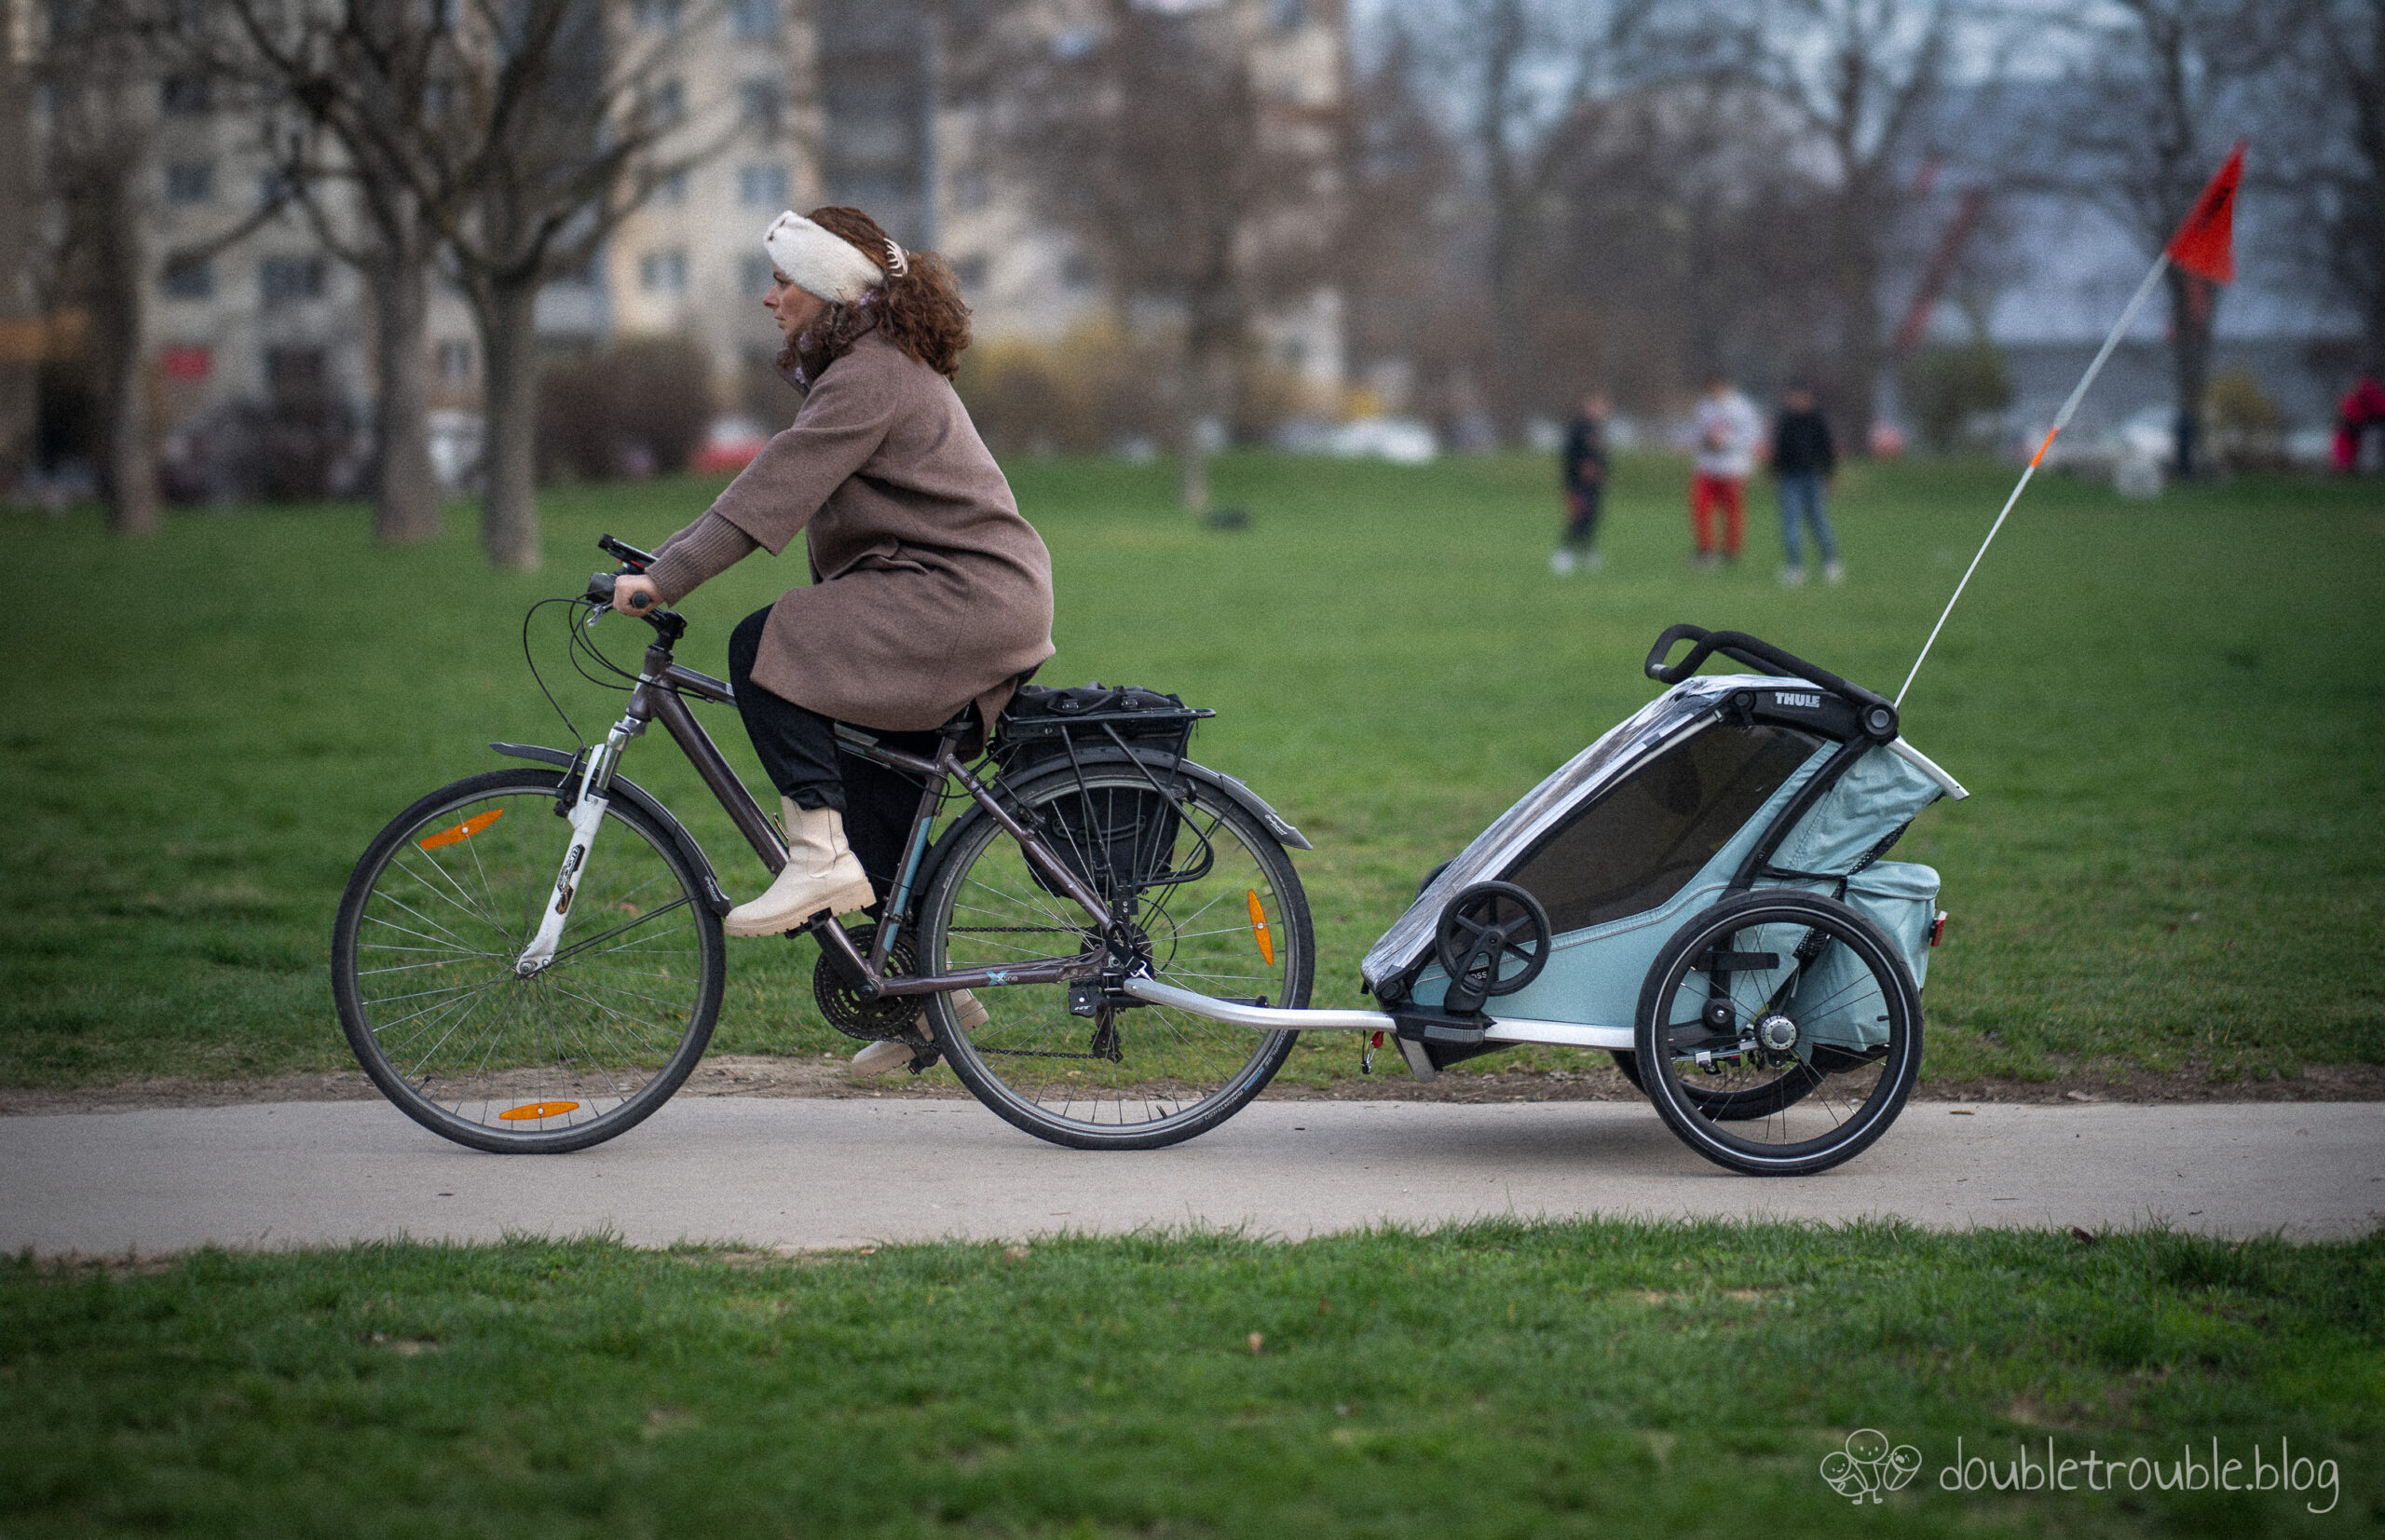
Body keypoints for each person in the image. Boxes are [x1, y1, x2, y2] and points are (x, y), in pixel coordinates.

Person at [611, 206, 1055, 1074]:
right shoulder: (870, 366)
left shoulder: (872, 374)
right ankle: (929, 998)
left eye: (782, 280)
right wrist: (660, 561)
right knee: (870, 784)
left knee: (762, 646)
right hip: (959, 598)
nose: (767, 296)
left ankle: (815, 859)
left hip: (960, 601)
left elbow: (772, 487)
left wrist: (666, 578)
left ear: (826, 288)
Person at [1769, 386, 1843, 585]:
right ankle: (1795, 567)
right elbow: (1778, 449)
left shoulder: (1817, 421)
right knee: (1790, 523)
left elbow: (1827, 449)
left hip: (1812, 476)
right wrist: (1775, 473)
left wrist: (1828, 474)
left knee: (1818, 520)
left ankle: (1831, 563)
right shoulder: (1786, 421)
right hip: (1790, 478)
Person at [1689, 373, 1762, 566]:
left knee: (1732, 511)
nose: (1713, 393)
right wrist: (1706, 440)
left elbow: (1752, 436)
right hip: (1707, 466)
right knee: (1699, 507)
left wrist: (1725, 442)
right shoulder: (1705, 406)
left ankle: (1731, 552)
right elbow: (1696, 431)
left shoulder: (1742, 407)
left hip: (1732, 468)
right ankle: (1706, 550)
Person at [1550, 390, 1610, 575]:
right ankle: (1563, 553)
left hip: (1595, 483)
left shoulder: (1597, 428)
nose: (1602, 411)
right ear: (1588, 407)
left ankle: (1587, 552)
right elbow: (1570, 455)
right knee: (1578, 517)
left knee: (1592, 517)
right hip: (1576, 483)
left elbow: (1600, 456)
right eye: (1598, 406)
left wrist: (1604, 471)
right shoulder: (1577, 428)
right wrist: (1580, 470)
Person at [2334, 366, 2385, 473]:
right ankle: (2366, 469)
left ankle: (2349, 468)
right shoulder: (2376, 394)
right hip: (2367, 427)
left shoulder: (2353, 397)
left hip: (2362, 427)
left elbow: (2346, 413)